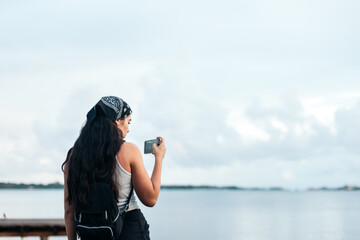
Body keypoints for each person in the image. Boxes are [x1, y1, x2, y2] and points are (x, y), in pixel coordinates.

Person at [62, 96, 166, 240]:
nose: (128, 129)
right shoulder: (129, 150)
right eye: (128, 122)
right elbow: (151, 198)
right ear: (117, 121)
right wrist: (159, 159)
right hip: (129, 230)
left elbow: (69, 210)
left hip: (92, 233)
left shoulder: (74, 155)